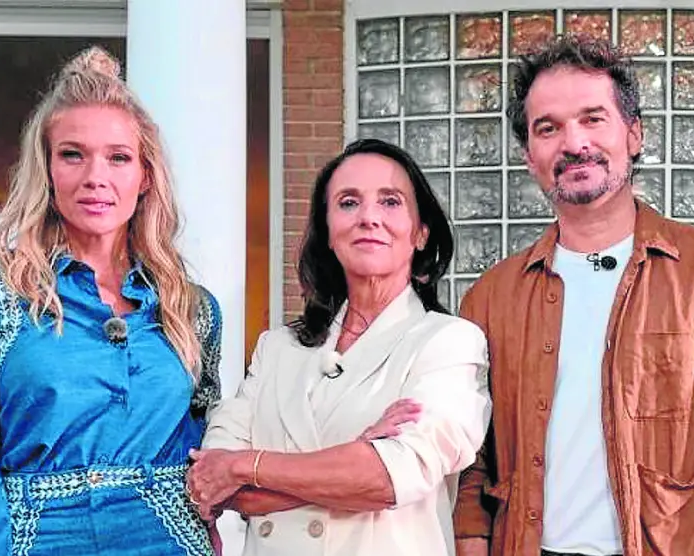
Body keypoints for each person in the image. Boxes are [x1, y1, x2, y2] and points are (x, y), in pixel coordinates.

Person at [453, 36, 694, 556]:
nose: (574, 143)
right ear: (529, 156)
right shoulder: (490, 298)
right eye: (548, 128)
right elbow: (472, 469)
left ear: (633, 133)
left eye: (593, 119)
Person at [187, 138, 491, 556]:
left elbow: (388, 480)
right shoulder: (276, 349)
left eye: (390, 202)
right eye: (348, 203)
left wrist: (245, 465)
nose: (369, 217)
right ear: (327, 232)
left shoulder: (450, 342)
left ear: (421, 232)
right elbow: (217, 484)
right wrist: (356, 452)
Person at [0, 47, 222, 556]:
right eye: (73, 154)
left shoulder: (190, 307)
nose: (96, 177)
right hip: (34, 538)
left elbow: (212, 441)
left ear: (145, 176)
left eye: (118, 157)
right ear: (47, 170)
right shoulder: (1, 292)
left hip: (168, 537)